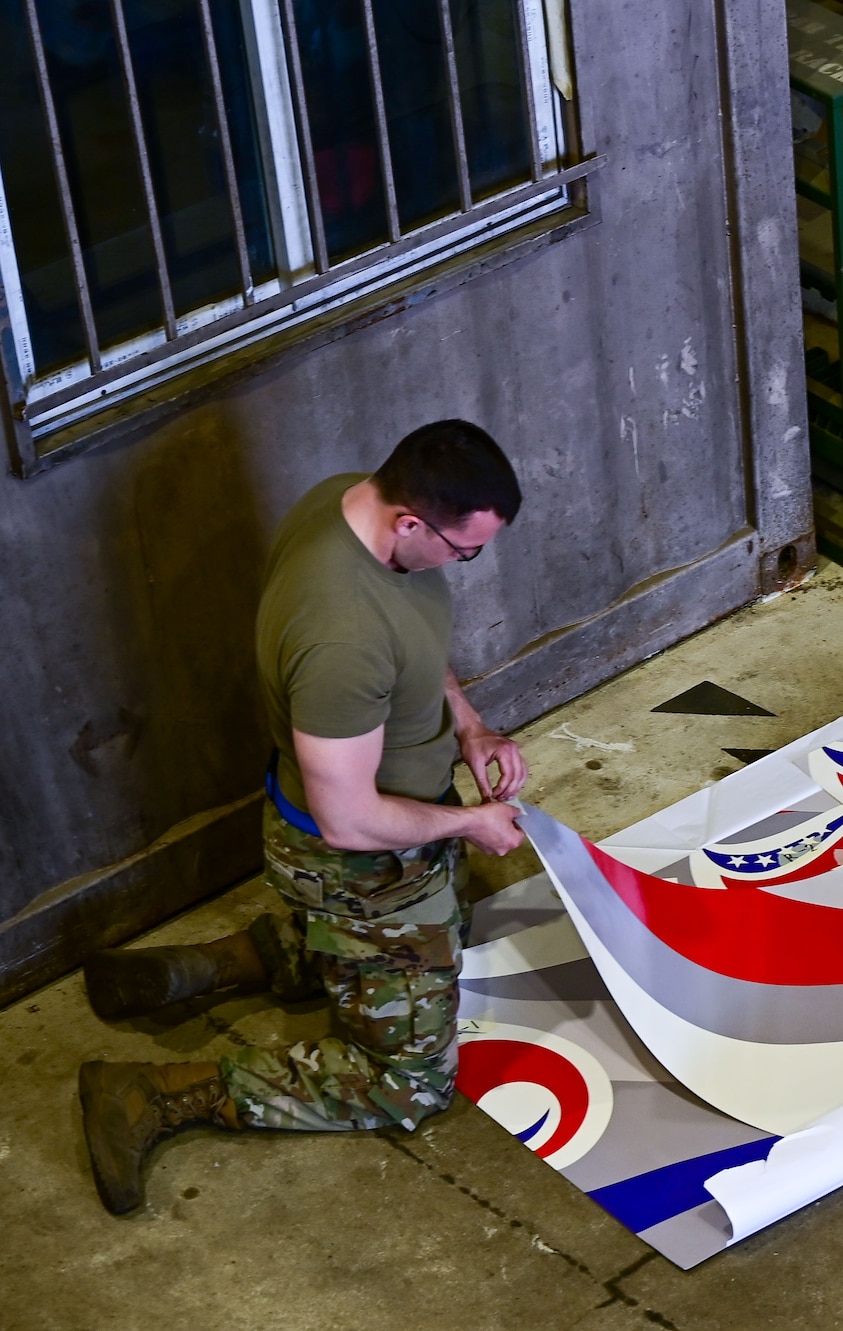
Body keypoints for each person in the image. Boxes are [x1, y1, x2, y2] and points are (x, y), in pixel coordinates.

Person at [77, 420, 531, 1214]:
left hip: (379, 822)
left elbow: (414, 645)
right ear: (412, 523)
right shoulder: (340, 633)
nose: (465, 566)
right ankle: (157, 1090)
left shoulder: (351, 499)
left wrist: (470, 725)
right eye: (467, 552)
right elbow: (350, 819)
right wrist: (469, 825)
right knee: (410, 1086)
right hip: (355, 858)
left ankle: (219, 966)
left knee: (453, 921)